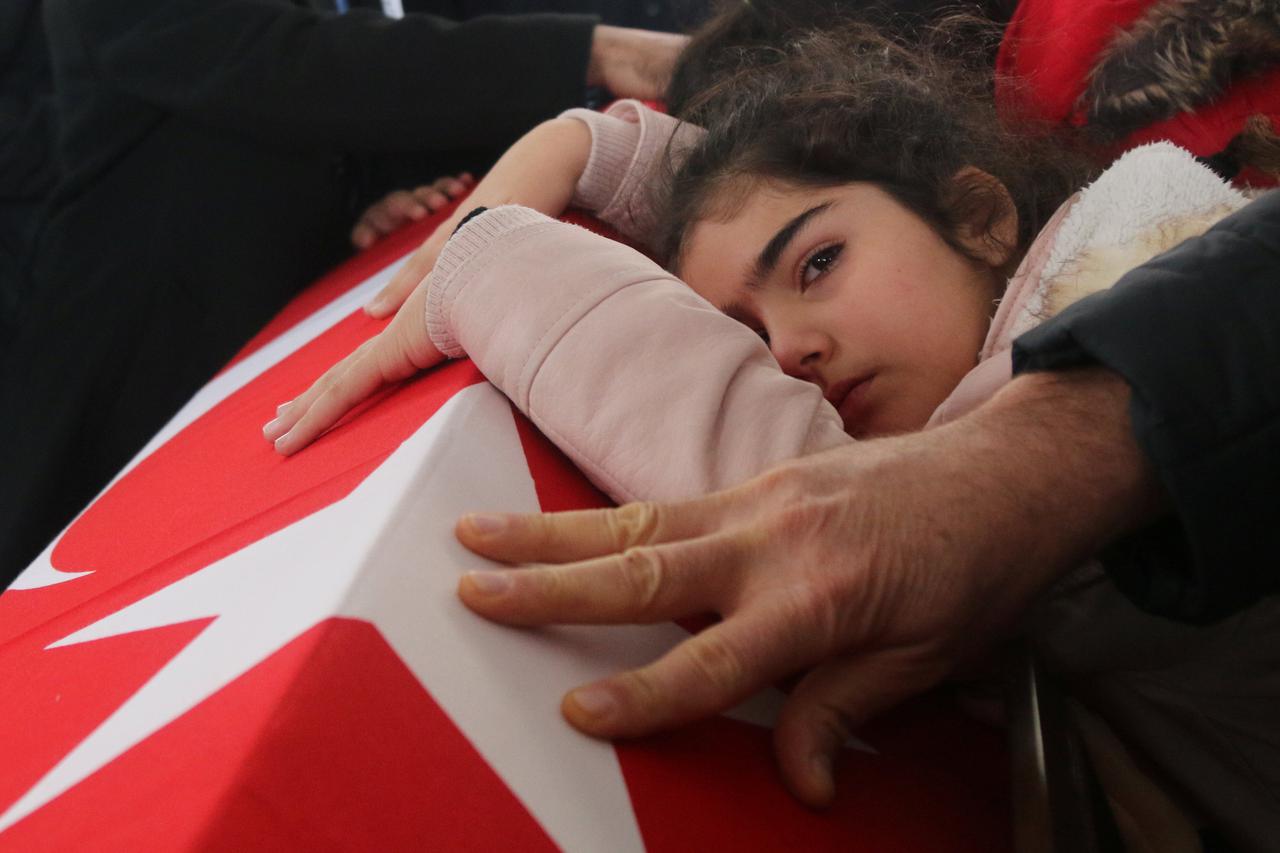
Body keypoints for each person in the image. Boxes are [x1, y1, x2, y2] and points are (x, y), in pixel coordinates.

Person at [267, 26, 1279, 847]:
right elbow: (786, 200)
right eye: (741, 339)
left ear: (979, 216)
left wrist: (491, 265)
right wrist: (583, 147)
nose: (786, 355)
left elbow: (839, 514)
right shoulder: (1070, 278)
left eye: (817, 265)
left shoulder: (1128, 271)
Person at [0, 0, 688, 582]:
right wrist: (588, 52)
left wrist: (376, 194)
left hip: (304, 332)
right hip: (141, 361)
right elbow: (271, 61)